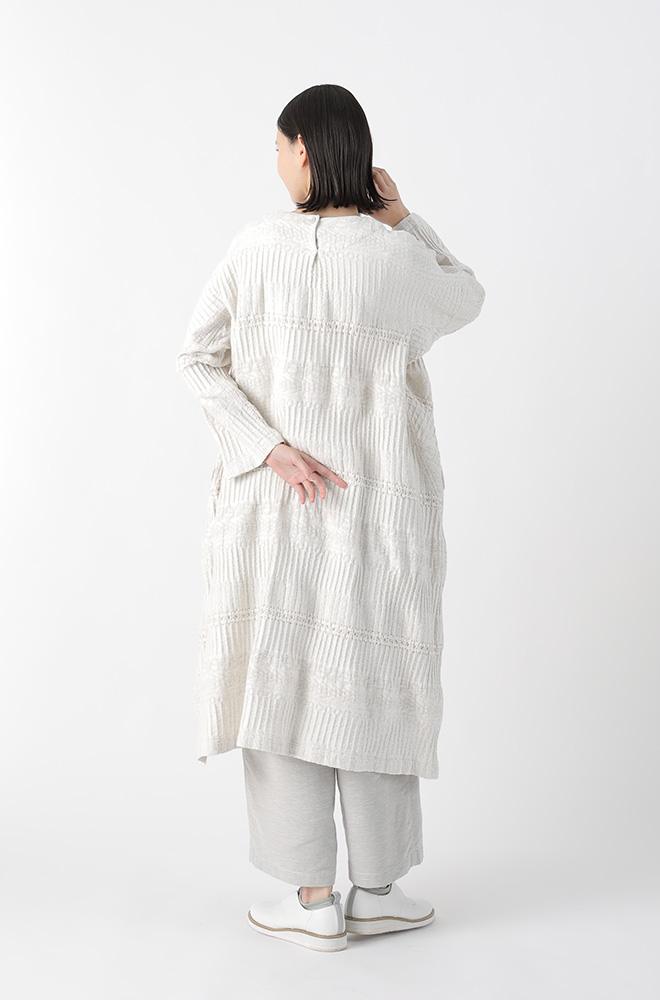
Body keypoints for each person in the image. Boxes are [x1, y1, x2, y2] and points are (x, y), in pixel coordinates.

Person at [176, 83, 485, 952]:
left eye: (279, 148)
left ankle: (312, 900)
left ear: (304, 151)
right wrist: (404, 219)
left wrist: (268, 447)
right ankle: (376, 892)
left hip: (275, 512)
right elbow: (466, 295)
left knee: (279, 684)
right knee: (372, 685)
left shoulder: (253, 248)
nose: (276, 163)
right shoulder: (396, 263)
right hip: (378, 517)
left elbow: (197, 357)